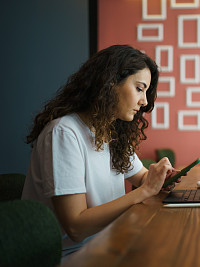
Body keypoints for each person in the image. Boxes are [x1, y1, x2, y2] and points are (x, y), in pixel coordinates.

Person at [22, 45, 179, 257]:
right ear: (110, 82)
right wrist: (144, 191)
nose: (144, 102)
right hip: (70, 255)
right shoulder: (64, 133)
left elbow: (141, 177)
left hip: (108, 242)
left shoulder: (110, 131)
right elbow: (76, 227)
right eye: (140, 89)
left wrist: (161, 179)